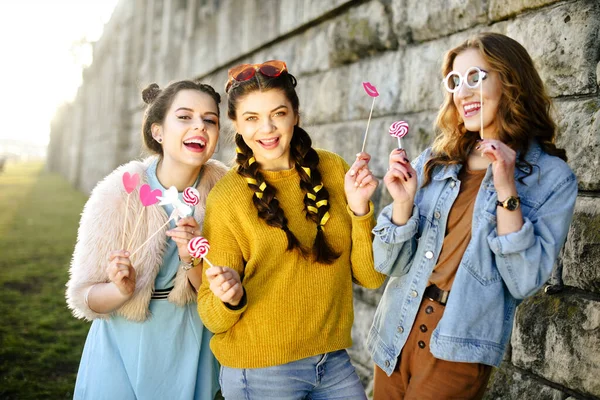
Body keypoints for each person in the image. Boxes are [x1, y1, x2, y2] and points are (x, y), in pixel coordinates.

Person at [368, 32, 578, 399]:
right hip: (397, 326)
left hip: (458, 343)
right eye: (454, 81)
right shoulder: (435, 159)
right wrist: (401, 204)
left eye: (475, 78)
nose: (462, 93)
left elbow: (523, 280)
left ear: (510, 81)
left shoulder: (550, 178)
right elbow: (385, 261)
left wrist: (507, 188)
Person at [197, 60, 386, 399]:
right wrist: (230, 297)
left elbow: (371, 278)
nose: (267, 129)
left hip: (333, 361)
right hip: (260, 371)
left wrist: (360, 210)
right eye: (252, 118)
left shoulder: (332, 168)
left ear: (295, 114)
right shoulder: (228, 197)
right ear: (236, 125)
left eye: (278, 113)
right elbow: (212, 316)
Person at [66, 80, 227, 400]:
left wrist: (190, 257)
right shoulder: (116, 194)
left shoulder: (227, 191)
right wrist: (118, 289)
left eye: (210, 120)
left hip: (190, 336)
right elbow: (83, 296)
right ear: (157, 132)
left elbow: (225, 288)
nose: (200, 126)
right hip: (123, 341)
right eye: (184, 117)